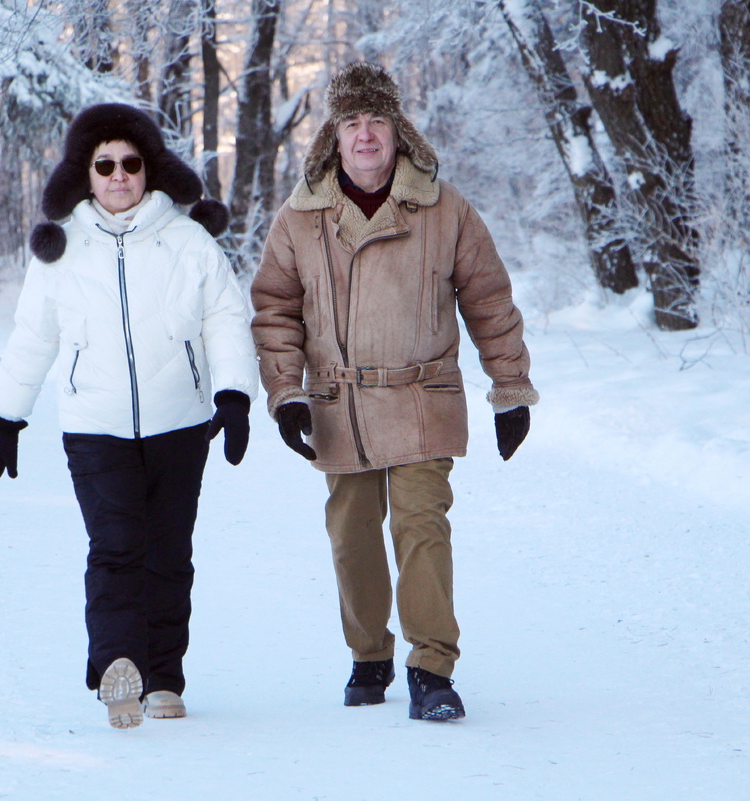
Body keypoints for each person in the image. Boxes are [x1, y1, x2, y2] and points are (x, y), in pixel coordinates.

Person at [250, 62, 539, 722]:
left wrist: (511, 387)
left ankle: (432, 668)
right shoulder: (301, 216)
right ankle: (369, 653)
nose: (365, 135)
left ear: (397, 128)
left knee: (421, 528)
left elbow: (490, 300)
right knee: (352, 535)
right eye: (352, 122)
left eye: (376, 120)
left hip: (421, 397)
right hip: (340, 404)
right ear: (334, 134)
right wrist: (286, 392)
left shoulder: (444, 208)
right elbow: (274, 310)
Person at [0, 103, 258, 730]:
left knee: (169, 555)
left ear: (148, 168)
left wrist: (235, 396)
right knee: (114, 549)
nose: (119, 175)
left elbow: (225, 319)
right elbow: (32, 337)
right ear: (86, 173)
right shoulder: (61, 250)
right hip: (95, 430)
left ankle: (164, 678)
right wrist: (6, 420)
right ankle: (117, 667)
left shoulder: (189, 240)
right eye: (104, 165)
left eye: (130, 163)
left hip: (181, 424)